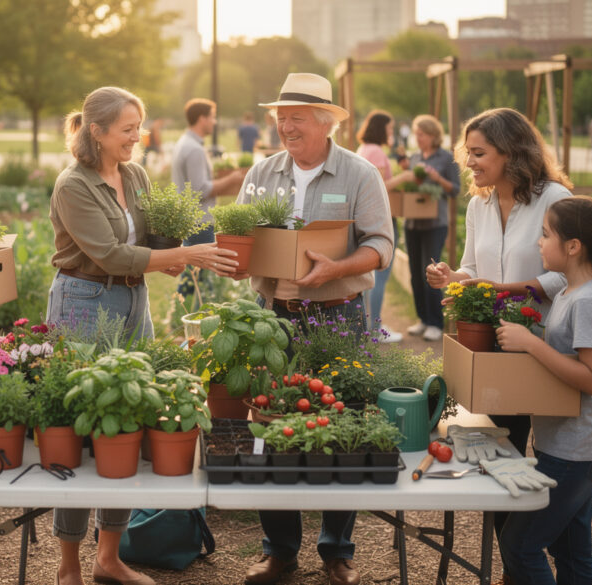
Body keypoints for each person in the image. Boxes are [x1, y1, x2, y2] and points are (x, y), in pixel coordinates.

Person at [46, 86, 237, 585]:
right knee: (81, 425)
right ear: (97, 131)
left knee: (127, 420)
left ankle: (108, 558)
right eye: (128, 128)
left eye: (140, 126)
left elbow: (150, 244)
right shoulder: (73, 185)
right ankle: (68, 567)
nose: (139, 136)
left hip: (133, 301)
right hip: (85, 302)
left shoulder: (133, 174)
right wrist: (185, 256)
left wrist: (190, 257)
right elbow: (110, 254)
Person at [237, 72, 394, 585]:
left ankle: (337, 549)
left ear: (325, 122)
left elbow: (381, 245)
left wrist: (337, 268)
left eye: (296, 118)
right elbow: (242, 236)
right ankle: (278, 549)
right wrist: (235, 258)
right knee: (272, 423)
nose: (285, 126)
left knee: (340, 426)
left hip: (338, 314)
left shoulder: (359, 174)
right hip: (273, 316)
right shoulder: (262, 172)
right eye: (280, 117)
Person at [425, 106, 572, 585]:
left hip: (541, 343)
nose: (470, 162)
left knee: (545, 459)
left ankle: (527, 561)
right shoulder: (478, 204)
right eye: (468, 152)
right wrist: (455, 277)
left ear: (512, 151)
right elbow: (472, 265)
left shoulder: (555, 199)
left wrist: (508, 290)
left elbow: (566, 273)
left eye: (479, 152)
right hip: (492, 343)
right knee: (498, 454)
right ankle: (518, 566)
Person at [495, 196, 592, 585]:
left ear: (573, 246)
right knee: (570, 552)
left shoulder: (589, 301)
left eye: (545, 235)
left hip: (578, 449)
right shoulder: (568, 294)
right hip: (566, 443)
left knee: (519, 547)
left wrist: (530, 343)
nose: (538, 243)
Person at [384, 114, 460, 342]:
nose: (418, 139)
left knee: (431, 272)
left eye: (422, 134)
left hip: (435, 223)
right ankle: (424, 319)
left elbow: (454, 189)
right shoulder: (415, 157)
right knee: (416, 274)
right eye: (416, 134)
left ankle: (436, 322)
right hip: (413, 221)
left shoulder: (446, 158)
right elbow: (413, 185)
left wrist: (437, 178)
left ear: (433, 135)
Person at [172, 98, 247, 246]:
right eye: (212, 117)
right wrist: (231, 178)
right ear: (202, 119)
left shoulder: (185, 142)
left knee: (193, 268)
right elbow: (200, 190)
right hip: (200, 224)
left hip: (191, 221)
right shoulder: (194, 149)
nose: (215, 122)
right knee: (201, 269)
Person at [355, 109, 402, 342]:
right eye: (390, 128)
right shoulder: (376, 152)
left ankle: (365, 325)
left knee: (367, 278)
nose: (391, 133)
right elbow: (381, 186)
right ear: (380, 128)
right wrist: (406, 177)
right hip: (381, 218)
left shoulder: (362, 149)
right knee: (379, 278)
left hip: (363, 218)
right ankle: (375, 328)